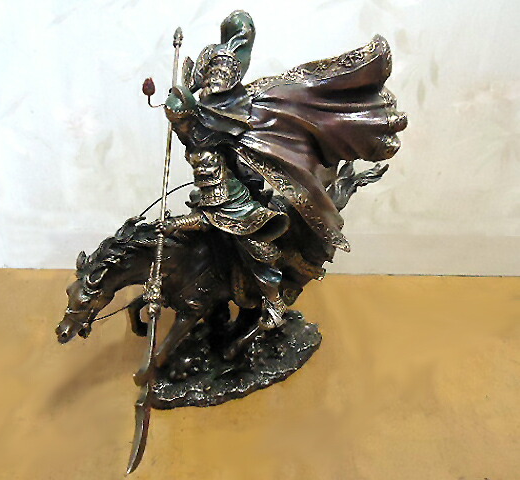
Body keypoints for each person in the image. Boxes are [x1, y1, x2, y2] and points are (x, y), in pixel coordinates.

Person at [160, 10, 407, 327]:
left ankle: (273, 301)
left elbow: (216, 199)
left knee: (252, 242)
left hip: (231, 195)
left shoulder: (224, 120)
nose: (215, 83)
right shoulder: (208, 105)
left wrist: (178, 222)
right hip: (223, 177)